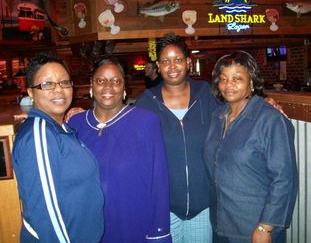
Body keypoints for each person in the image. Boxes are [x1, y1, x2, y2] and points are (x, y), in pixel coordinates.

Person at [67, 57, 172, 243]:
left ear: (124, 88)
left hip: (133, 225)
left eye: (116, 81)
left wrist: (159, 232)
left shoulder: (146, 122)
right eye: (100, 81)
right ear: (91, 85)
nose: (108, 86)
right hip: (87, 227)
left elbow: (159, 182)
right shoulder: (75, 124)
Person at [204, 51, 298, 243]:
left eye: (237, 78)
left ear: (252, 82)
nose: (229, 85)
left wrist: (266, 227)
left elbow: (284, 179)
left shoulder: (270, 120)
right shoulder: (217, 116)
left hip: (254, 227)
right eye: (223, 79)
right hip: (221, 223)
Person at [12, 53, 104, 242]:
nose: (58, 90)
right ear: (30, 92)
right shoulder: (39, 134)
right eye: (47, 84)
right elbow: (45, 212)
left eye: (64, 82)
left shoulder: (61, 128)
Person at [136, 34, 218, 243]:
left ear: (188, 62)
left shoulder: (207, 94)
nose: (172, 66)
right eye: (165, 61)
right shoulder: (146, 102)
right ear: (158, 66)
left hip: (202, 205)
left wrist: (266, 101)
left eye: (178, 59)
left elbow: (237, 110)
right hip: (163, 207)